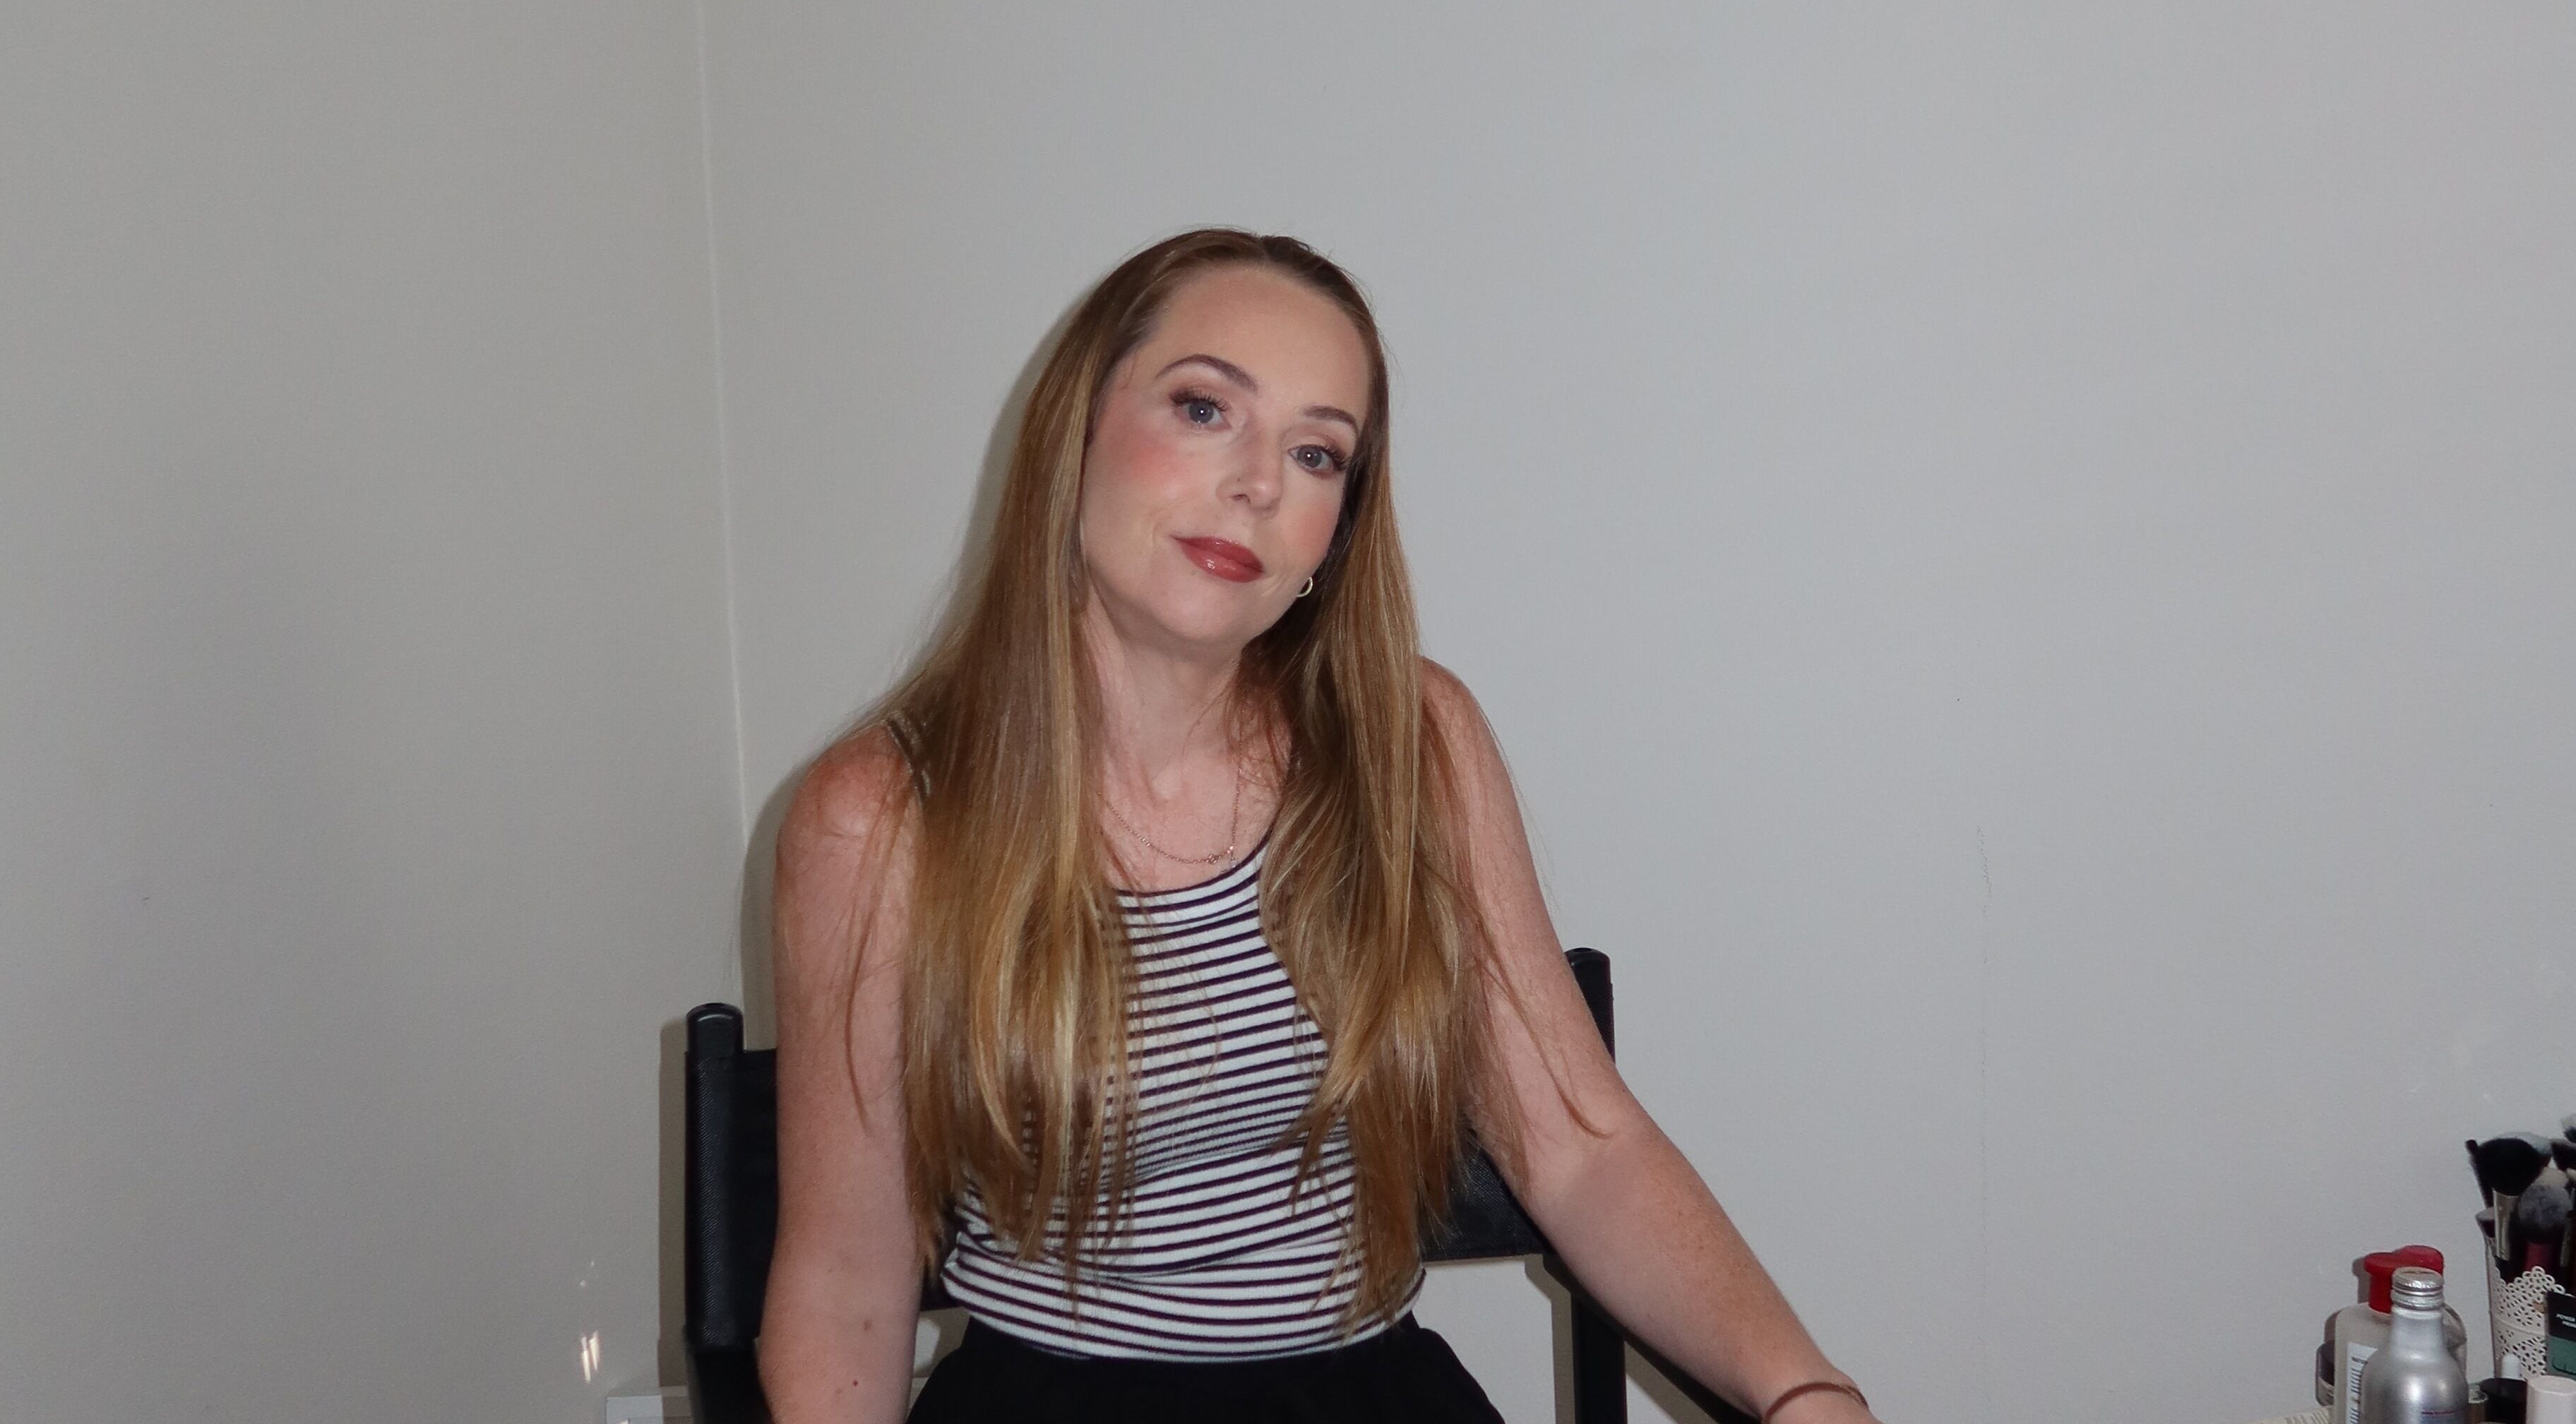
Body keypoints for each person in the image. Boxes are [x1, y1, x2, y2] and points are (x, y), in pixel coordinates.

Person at [756, 229, 1880, 1424]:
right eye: (1202, 408)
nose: (1258, 483)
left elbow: (1581, 1146)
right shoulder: (877, 818)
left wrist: (1805, 1390)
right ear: (1074, 426)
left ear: (1331, 535)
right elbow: (846, 1278)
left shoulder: (1413, 747)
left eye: (1315, 452)